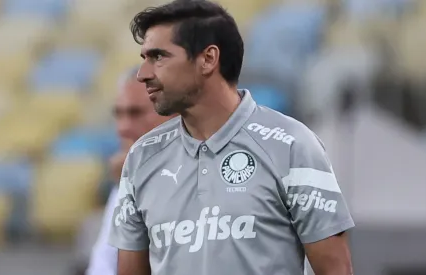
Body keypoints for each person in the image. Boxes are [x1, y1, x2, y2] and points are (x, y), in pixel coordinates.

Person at [109, 1, 355, 275]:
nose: (143, 74)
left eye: (159, 57)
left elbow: (335, 271)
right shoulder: (142, 157)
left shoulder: (292, 145)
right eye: (144, 58)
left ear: (208, 59)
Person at [85, 67, 176, 275]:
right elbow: (102, 269)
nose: (122, 128)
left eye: (136, 113)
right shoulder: (127, 180)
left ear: (175, 115)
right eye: (119, 114)